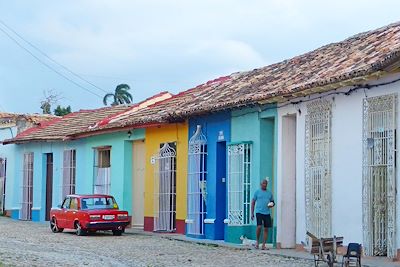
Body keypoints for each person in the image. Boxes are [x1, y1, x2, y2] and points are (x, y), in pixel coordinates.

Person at [251, 178, 274, 250]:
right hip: (259, 211)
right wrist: (252, 213)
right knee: (259, 227)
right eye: (263, 183)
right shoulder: (257, 192)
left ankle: (264, 244)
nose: (264, 185)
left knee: (266, 228)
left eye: (266, 184)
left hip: (266, 212)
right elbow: (253, 202)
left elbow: (273, 202)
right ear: (261, 184)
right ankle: (257, 242)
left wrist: (271, 204)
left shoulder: (269, 193)